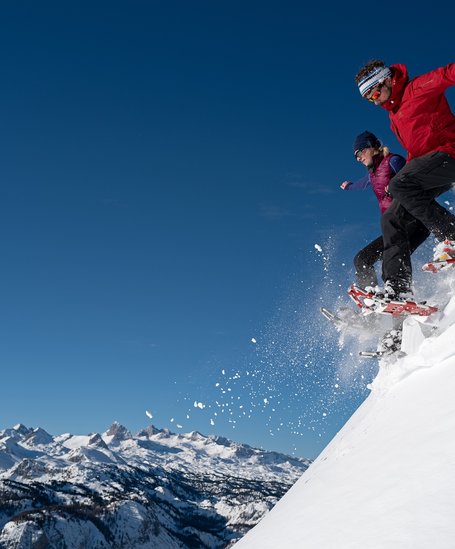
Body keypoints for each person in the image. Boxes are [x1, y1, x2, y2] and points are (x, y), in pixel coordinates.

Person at [355, 60, 455, 299]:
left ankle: (452, 235)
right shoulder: (394, 115)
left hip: (450, 153)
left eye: (376, 92)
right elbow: (416, 151)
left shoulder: (418, 88)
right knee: (391, 218)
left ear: (388, 80)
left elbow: (448, 73)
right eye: (370, 99)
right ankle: (398, 289)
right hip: (432, 164)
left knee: (401, 184)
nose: (376, 100)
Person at [340, 130, 429, 290]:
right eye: (355, 156)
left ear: (372, 147)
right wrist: (349, 186)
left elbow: (413, 179)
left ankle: (400, 292)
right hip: (397, 226)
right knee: (362, 260)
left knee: (389, 261)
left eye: (360, 152)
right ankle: (373, 306)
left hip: (413, 221)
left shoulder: (393, 161)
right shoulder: (373, 174)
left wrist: (397, 183)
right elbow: (363, 183)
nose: (358, 158)